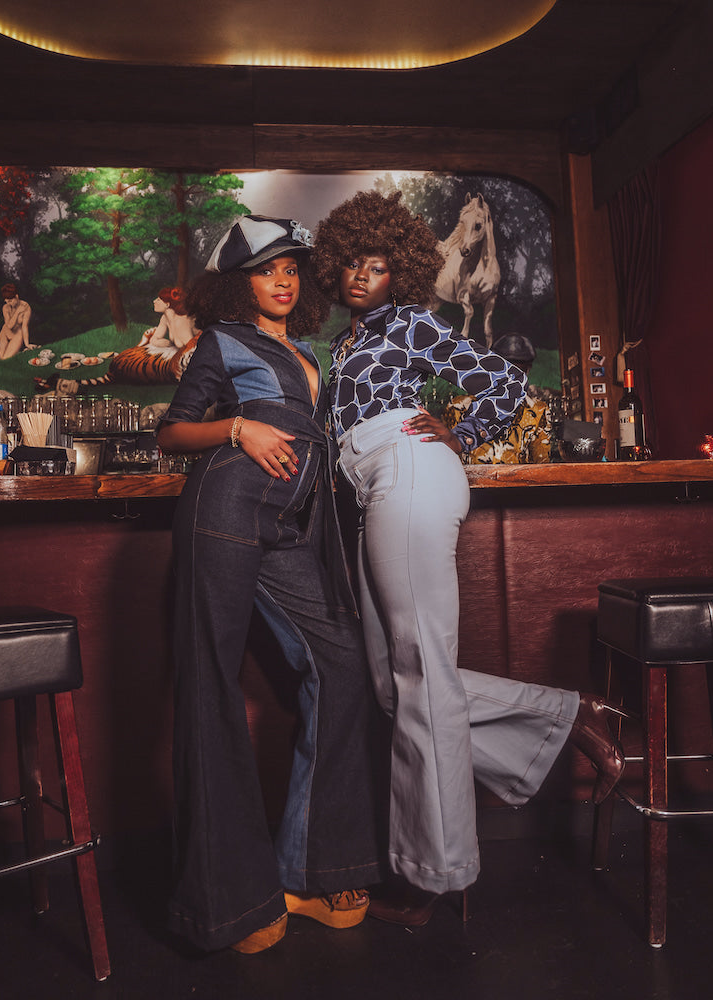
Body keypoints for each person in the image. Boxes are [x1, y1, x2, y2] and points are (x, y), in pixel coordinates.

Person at [311, 190, 624, 924]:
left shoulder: (413, 322)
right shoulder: (348, 342)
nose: (362, 276)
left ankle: (435, 875)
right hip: (369, 487)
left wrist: (462, 430)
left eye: (378, 266)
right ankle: (563, 712)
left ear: (402, 272)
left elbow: (509, 382)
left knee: (420, 676)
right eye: (352, 263)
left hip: (409, 471)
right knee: (393, 684)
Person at [156, 216, 383, 955]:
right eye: (266, 269)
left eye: (291, 268)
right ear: (238, 282)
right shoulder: (223, 341)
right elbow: (170, 432)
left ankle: (313, 871)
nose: (284, 279)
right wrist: (236, 430)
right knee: (211, 685)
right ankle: (230, 900)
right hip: (224, 508)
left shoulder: (308, 350)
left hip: (290, 527)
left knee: (344, 664)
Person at [465, 333, 551, 464]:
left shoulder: (538, 411)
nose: (511, 379)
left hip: (520, 483)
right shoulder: (461, 407)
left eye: (519, 372)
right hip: (472, 484)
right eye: (505, 371)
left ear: (528, 371)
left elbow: (543, 467)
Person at [0, 283, 35, 359]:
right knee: (2, 359)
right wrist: (18, 312)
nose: (9, 303)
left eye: (10, 301)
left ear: (16, 296)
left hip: (18, 333)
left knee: (5, 359)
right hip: (6, 331)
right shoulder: (6, 307)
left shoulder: (26, 307)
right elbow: (9, 326)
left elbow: (24, 326)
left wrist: (27, 344)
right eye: (7, 301)